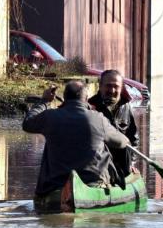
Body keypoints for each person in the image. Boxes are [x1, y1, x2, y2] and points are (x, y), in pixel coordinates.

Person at [22, 80, 130, 210]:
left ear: (65, 98)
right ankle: (120, 179)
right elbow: (122, 142)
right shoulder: (98, 118)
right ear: (86, 99)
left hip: (55, 187)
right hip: (92, 184)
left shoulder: (50, 117)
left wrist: (44, 102)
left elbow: (27, 123)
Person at [88, 69, 138, 177]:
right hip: (99, 167)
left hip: (122, 167)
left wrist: (132, 163)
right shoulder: (90, 107)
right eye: (108, 86)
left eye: (116, 86)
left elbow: (133, 139)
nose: (112, 90)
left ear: (121, 88)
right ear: (100, 86)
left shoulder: (126, 106)